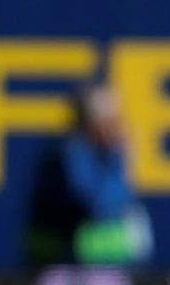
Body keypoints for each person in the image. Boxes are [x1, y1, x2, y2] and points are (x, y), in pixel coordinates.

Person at [24, 83, 152, 266]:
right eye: (112, 121)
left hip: (101, 268)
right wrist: (119, 157)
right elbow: (96, 207)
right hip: (64, 266)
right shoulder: (70, 155)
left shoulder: (102, 153)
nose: (119, 128)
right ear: (92, 123)